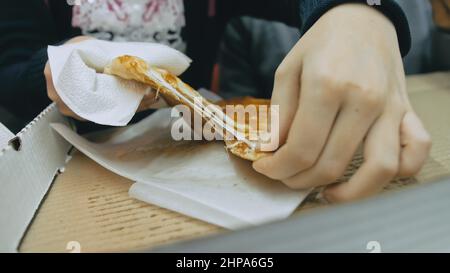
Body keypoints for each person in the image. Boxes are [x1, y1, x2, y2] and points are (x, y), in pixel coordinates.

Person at [0, 0, 435, 202]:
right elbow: (10, 69)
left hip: (180, 148)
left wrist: (355, 10)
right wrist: (55, 68)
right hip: (58, 171)